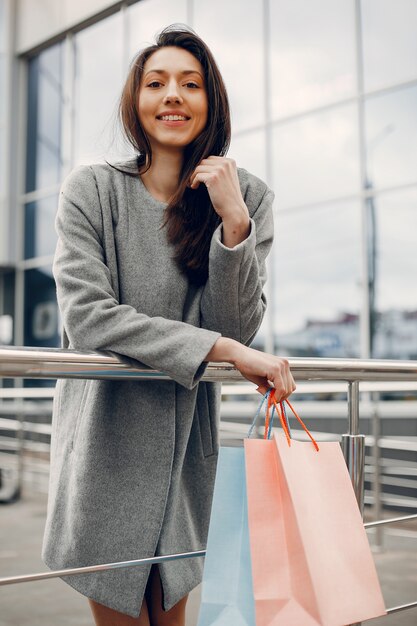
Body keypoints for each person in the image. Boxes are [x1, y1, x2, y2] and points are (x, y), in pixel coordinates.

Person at [41, 24, 295, 626]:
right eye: (156, 83)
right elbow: (88, 318)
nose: (172, 95)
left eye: (190, 83)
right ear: (136, 101)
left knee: (173, 615)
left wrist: (233, 223)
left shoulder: (248, 197)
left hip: (187, 446)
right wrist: (223, 348)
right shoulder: (93, 190)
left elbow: (238, 323)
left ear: (212, 101)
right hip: (107, 439)